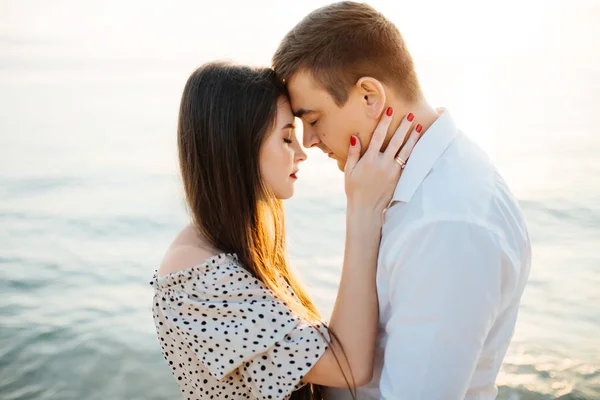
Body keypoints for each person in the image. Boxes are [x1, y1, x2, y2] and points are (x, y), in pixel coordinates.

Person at [272, 2, 532, 399]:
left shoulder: (447, 224)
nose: (308, 140)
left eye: (314, 118)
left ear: (370, 96)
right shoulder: (407, 179)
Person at [150, 62, 422, 399]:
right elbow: (347, 367)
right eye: (286, 137)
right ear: (238, 146)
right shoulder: (200, 277)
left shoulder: (231, 246)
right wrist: (362, 209)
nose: (301, 152)